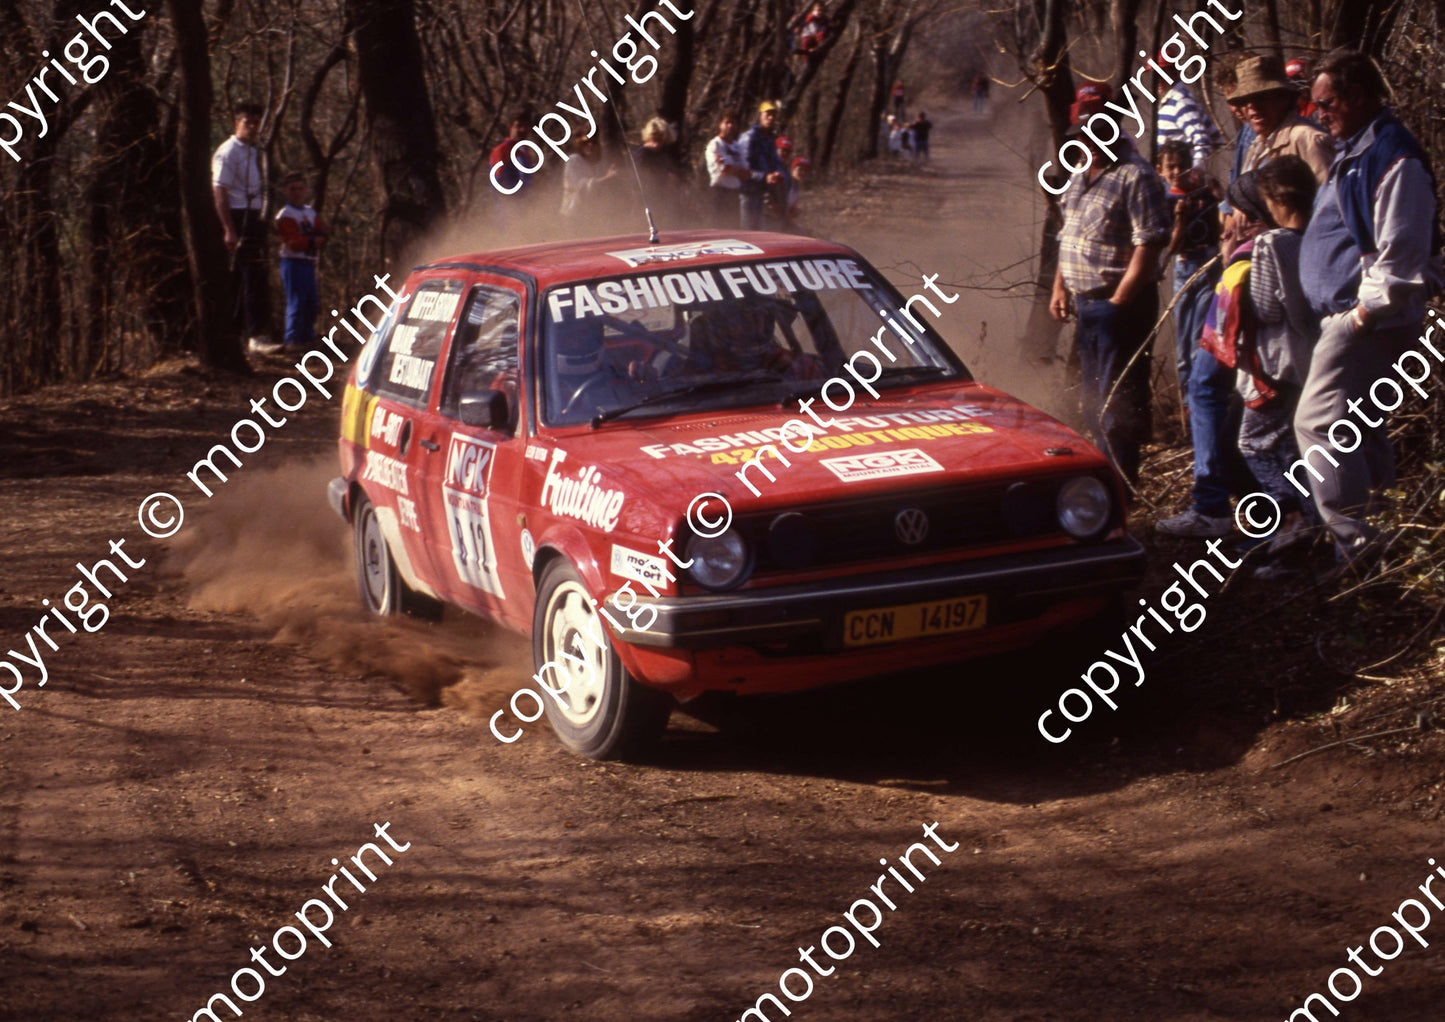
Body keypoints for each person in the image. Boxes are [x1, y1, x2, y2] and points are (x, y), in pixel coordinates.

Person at [1296, 49, 1443, 568]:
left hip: (1370, 321)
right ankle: (1386, 539)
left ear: (1357, 95)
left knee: (1316, 426)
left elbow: (1401, 253)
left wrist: (1360, 316)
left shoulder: (1394, 156)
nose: (1319, 114)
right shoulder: (1357, 149)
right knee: (1359, 428)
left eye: (1326, 102)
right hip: (1362, 319)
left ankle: (1356, 549)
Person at [1049, 85, 1172, 487]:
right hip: (1086, 304)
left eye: (1098, 131)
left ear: (1114, 128)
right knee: (1092, 400)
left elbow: (1150, 243)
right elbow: (1068, 235)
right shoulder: (1079, 174)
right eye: (1083, 134)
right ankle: (1103, 480)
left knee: (1117, 403)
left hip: (1120, 307)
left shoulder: (1137, 176)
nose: (1090, 141)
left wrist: (1120, 300)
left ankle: (1120, 486)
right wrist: (1060, 287)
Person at [1239, 158, 1320, 575]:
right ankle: (1305, 533)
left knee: (1253, 443)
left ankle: (1293, 518)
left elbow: (1267, 308)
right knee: (1291, 447)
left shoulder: (1271, 244)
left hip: (1275, 362)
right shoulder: (1320, 233)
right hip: (1311, 357)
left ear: (1276, 200)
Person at [1157, 139, 1221, 401]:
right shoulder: (1166, 202)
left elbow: (1220, 226)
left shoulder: (1204, 195)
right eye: (1170, 167)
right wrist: (1180, 219)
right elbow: (1173, 247)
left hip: (1209, 265)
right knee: (1183, 340)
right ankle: (1186, 399)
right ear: (1160, 170)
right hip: (1185, 267)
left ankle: (1198, 398)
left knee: (1198, 336)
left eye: (1182, 166)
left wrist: (1219, 198)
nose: (1177, 172)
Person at [211, 101, 273, 354]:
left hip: (254, 216)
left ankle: (251, 334)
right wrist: (229, 228)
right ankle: (248, 335)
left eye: (256, 122)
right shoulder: (227, 152)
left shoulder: (254, 152)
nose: (253, 127)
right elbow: (219, 191)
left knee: (256, 276)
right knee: (244, 277)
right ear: (237, 123)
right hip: (238, 216)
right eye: (248, 122)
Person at [1232, 55, 1334, 182]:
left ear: (1284, 99)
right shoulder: (1256, 147)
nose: (1251, 106)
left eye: (1260, 97)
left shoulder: (1307, 140)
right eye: (1244, 101)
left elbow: (1328, 191)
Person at [273, 172, 329, 352]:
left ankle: (307, 337)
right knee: (296, 301)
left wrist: (321, 235)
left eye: (300, 188)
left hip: (309, 261)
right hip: (293, 262)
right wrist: (312, 241)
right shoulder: (285, 215)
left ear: (306, 190)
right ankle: (292, 340)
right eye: (292, 189)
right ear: (286, 191)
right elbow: (292, 242)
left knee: (311, 302)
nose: (297, 192)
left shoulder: (309, 212)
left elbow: (320, 230)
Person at [1156, 65, 1225, 170]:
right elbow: (1214, 135)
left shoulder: (1181, 102)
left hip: (1180, 173)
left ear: (1173, 73)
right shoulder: (1170, 101)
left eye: (1162, 74)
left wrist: (1196, 169)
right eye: (1155, 75)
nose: (1158, 80)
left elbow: (1202, 139)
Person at [738, 100, 788, 229]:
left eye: (773, 115)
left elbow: (775, 161)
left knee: (758, 233)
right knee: (744, 231)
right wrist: (764, 177)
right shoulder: (749, 137)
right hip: (746, 192)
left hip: (761, 193)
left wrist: (777, 173)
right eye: (767, 114)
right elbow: (742, 168)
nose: (770, 118)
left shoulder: (770, 139)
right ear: (760, 115)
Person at [633, 117, 685, 224]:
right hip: (645, 200)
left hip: (662, 199)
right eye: (654, 138)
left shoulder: (663, 153)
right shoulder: (642, 154)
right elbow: (639, 177)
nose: (658, 143)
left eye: (661, 138)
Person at [705, 112, 748, 227]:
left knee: (734, 230)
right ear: (720, 124)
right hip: (720, 192)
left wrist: (734, 170)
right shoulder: (715, 145)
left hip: (734, 193)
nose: (730, 126)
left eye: (733, 123)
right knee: (718, 229)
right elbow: (724, 170)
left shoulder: (738, 146)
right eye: (727, 122)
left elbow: (746, 173)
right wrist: (736, 170)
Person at [561, 135, 618, 219]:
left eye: (594, 142)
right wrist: (607, 178)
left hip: (594, 214)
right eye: (585, 143)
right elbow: (581, 186)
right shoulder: (573, 160)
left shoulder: (599, 163)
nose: (590, 145)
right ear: (579, 144)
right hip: (573, 214)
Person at [489, 110, 535, 196]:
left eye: (525, 126)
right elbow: (497, 184)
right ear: (510, 128)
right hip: (509, 202)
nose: (523, 130)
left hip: (527, 201)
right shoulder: (501, 151)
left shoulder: (524, 151)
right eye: (518, 126)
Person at [786, 156, 811, 230]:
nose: (803, 173)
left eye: (806, 170)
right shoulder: (786, 183)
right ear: (792, 169)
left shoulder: (796, 187)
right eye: (800, 169)